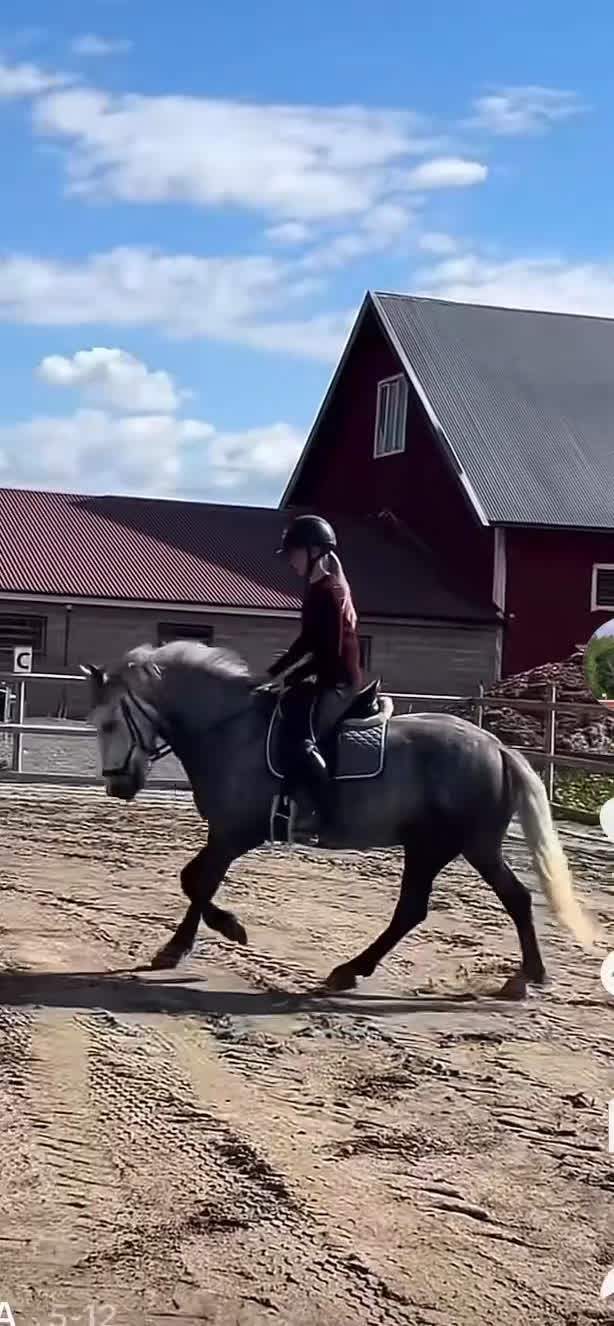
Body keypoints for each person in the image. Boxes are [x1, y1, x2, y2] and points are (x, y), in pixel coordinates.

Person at [260, 514, 363, 835]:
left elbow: (328, 652)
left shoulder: (330, 591)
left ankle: (326, 814)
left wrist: (292, 676)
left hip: (340, 682)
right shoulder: (316, 589)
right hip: (325, 677)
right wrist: (274, 673)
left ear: (314, 550)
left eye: (293, 553)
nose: (290, 561)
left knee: (304, 741)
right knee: (286, 712)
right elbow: (306, 641)